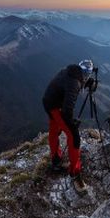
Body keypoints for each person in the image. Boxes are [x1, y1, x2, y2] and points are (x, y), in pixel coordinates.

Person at [42, 60, 94, 192]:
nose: (87, 77)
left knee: (54, 130)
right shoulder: (74, 84)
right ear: (84, 74)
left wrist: (85, 82)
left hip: (48, 101)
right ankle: (75, 173)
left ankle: (56, 160)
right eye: (87, 75)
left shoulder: (70, 71)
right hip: (56, 107)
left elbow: (68, 86)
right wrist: (71, 122)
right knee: (74, 137)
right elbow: (67, 109)